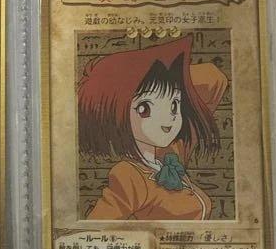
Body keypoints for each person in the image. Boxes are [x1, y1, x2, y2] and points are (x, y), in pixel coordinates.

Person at [77, 35, 228, 220]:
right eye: (145, 108)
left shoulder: (171, 151)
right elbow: (98, 227)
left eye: (174, 105)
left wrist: (166, 75)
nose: (168, 119)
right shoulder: (129, 176)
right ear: (115, 114)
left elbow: (214, 79)